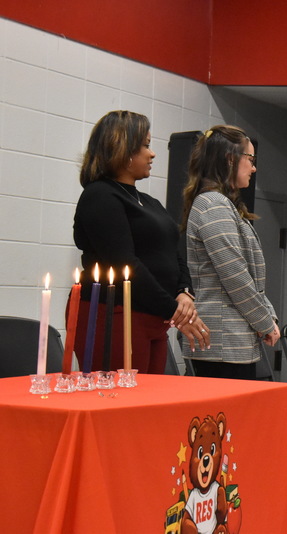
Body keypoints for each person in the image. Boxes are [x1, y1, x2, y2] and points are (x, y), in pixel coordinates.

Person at [73, 110, 209, 374]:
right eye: (145, 145)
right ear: (122, 149)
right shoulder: (100, 196)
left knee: (149, 401)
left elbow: (174, 252)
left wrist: (184, 291)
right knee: (121, 401)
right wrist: (174, 311)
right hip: (115, 313)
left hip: (154, 315)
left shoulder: (149, 202)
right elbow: (124, 262)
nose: (152, 153)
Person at [180, 125, 280, 379]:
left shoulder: (222, 204)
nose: (254, 168)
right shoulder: (213, 204)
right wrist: (264, 321)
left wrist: (267, 315)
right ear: (230, 159)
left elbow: (247, 277)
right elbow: (235, 276)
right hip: (222, 344)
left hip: (231, 342)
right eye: (251, 159)